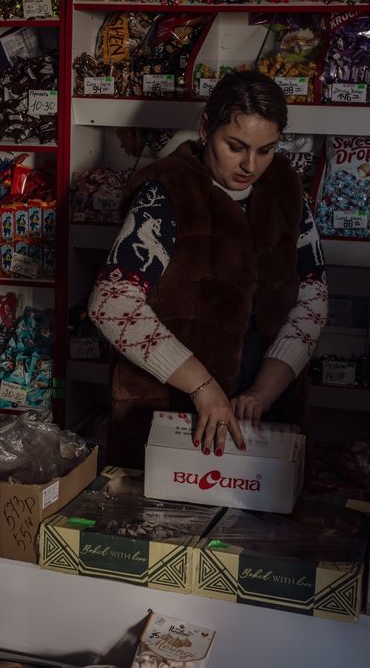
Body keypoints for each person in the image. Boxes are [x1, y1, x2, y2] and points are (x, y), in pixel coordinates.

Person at [89, 70, 327, 467]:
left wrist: (265, 391)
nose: (250, 165)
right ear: (204, 127)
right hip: (170, 408)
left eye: (266, 150)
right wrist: (203, 387)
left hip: (263, 410)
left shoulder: (287, 190)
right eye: (235, 146)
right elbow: (110, 304)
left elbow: (313, 297)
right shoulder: (167, 192)